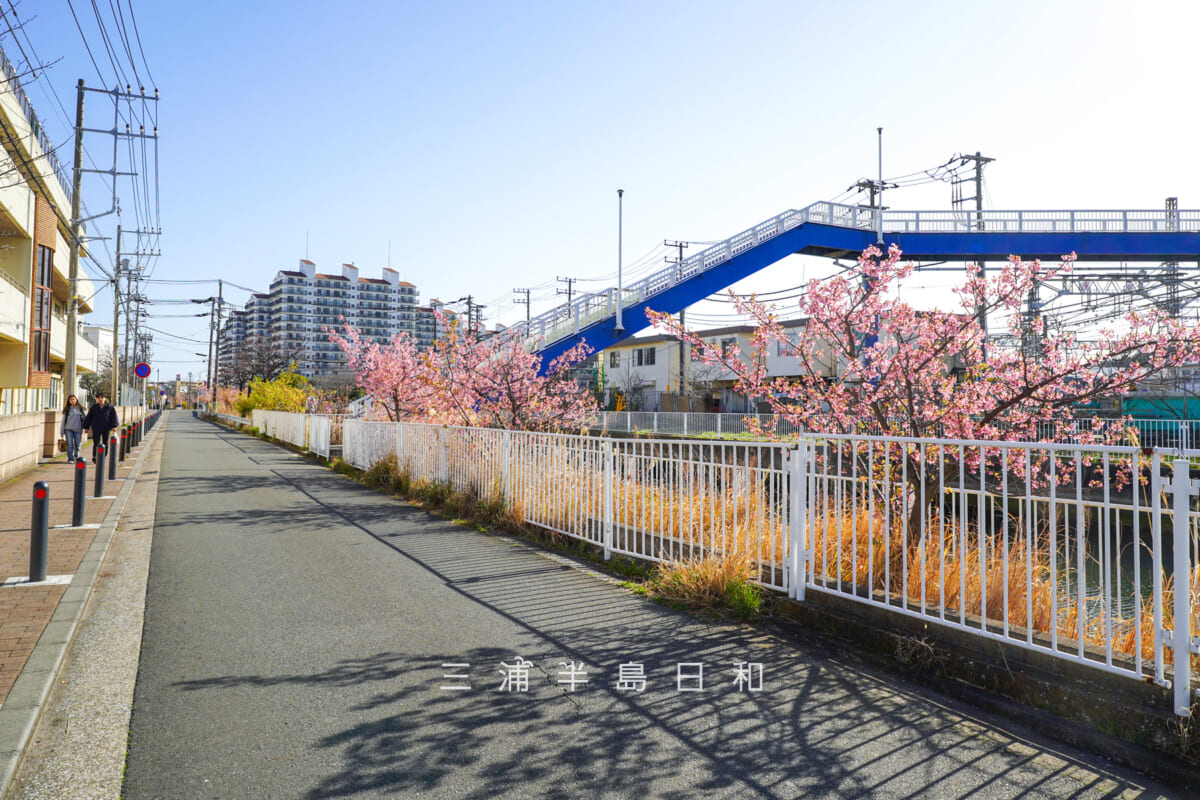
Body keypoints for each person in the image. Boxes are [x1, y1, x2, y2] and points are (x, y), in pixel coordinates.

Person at [82, 392, 119, 464]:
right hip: (96, 427)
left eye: (102, 397)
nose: (100, 399)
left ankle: (103, 456)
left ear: (105, 398)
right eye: (99, 398)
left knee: (105, 443)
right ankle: (95, 456)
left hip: (106, 428)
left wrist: (114, 426)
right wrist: (86, 427)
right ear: (97, 399)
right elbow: (89, 417)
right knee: (96, 443)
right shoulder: (94, 407)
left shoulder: (109, 407)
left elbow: (113, 417)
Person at [61, 394, 84, 462]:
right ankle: (70, 458)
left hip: (78, 429)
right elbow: (63, 421)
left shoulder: (80, 409)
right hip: (68, 429)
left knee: (77, 444)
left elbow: (85, 419)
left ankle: (76, 454)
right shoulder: (67, 410)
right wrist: (61, 432)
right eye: (71, 399)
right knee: (70, 444)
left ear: (76, 400)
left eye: (74, 399)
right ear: (69, 401)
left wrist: (86, 427)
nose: (72, 401)